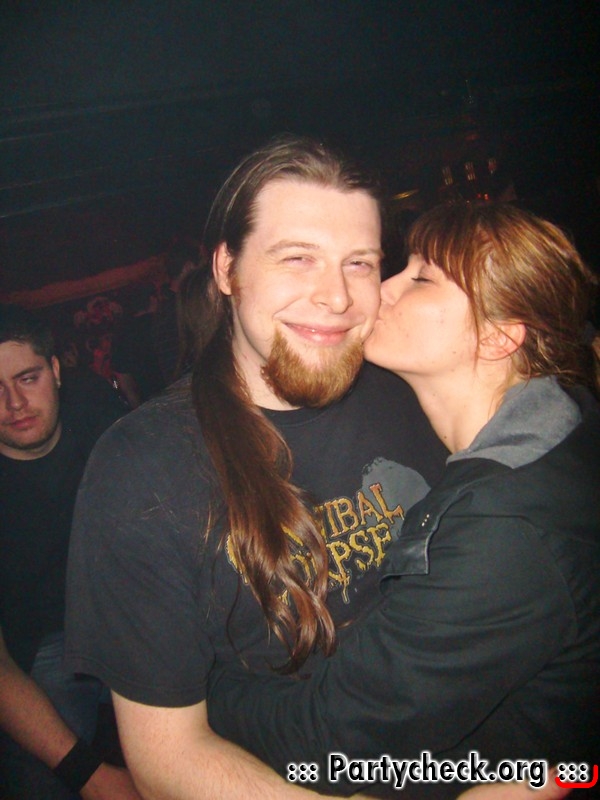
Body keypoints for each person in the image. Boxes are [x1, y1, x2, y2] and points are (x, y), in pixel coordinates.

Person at [65, 136, 451, 799]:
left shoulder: (416, 390)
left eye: (359, 263)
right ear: (227, 269)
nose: (336, 297)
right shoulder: (143, 465)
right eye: (297, 257)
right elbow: (167, 758)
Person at [205, 203, 600, 796]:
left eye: (421, 279)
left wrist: (204, 688)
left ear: (497, 336)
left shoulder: (506, 525)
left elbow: (333, 740)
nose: (381, 290)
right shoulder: (562, 426)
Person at [0, 305, 140, 799]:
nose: (15, 402)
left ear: (56, 371)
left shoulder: (97, 410)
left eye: (28, 378)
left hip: (131, 613)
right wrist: (92, 777)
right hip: (39, 644)